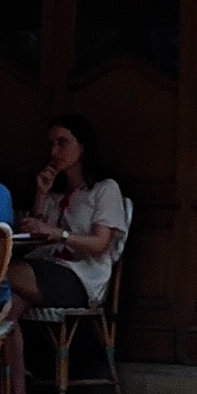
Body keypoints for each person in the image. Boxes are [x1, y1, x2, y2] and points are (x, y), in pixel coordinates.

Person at [21, 112, 133, 315]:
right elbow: (37, 243)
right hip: (46, 266)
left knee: (0, 276)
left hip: (80, 277)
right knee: (7, 307)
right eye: (52, 144)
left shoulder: (104, 189)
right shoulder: (55, 194)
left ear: (83, 146)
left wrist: (60, 234)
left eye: (62, 143)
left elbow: (100, 245)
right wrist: (41, 194)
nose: (54, 151)